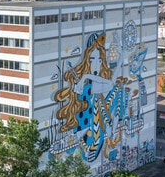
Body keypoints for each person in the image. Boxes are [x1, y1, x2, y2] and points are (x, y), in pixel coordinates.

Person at [54, 33, 128, 163]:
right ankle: (110, 128)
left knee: (117, 90)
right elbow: (108, 84)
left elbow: (110, 84)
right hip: (86, 130)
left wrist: (121, 59)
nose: (96, 65)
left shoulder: (91, 84)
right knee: (102, 98)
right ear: (87, 60)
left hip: (94, 126)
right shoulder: (88, 86)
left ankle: (113, 125)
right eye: (92, 60)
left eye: (99, 61)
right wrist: (84, 79)